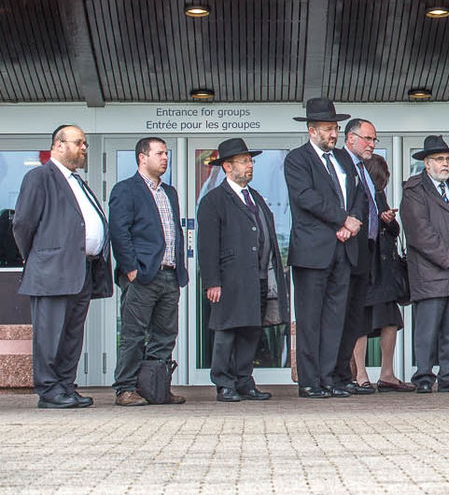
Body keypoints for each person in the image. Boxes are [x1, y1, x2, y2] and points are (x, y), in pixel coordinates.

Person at [13, 125, 114, 409]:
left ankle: (65, 386)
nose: (84, 148)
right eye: (79, 142)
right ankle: (49, 390)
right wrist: (38, 256)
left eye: (85, 144)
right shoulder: (40, 177)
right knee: (50, 333)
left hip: (82, 270)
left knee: (71, 333)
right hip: (52, 270)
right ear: (58, 145)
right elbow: (22, 224)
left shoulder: (77, 181)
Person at [284, 98, 368, 398]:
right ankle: (309, 381)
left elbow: (360, 192)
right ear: (311, 130)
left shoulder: (344, 160)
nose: (333, 134)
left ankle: (328, 376)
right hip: (312, 251)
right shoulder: (297, 160)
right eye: (327, 129)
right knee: (310, 319)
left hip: (344, 249)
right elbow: (306, 198)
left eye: (335, 128)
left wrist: (354, 220)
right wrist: (342, 220)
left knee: (336, 317)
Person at [197, 138, 288, 402]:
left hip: (257, 276)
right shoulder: (214, 200)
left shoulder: (255, 197)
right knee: (227, 331)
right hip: (229, 278)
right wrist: (212, 281)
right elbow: (207, 245)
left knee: (251, 330)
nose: (250, 166)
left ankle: (244, 381)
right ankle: (224, 383)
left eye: (251, 161)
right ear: (227, 166)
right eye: (244, 161)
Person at [108, 136, 188, 405]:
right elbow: (119, 233)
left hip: (169, 274)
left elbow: (174, 232)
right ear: (142, 157)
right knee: (133, 335)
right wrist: (131, 270)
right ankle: (125, 388)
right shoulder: (126, 189)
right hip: (142, 275)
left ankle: (156, 388)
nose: (165, 158)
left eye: (166, 154)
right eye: (159, 153)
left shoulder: (170, 193)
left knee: (165, 336)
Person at [400, 136, 449, 393]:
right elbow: (419, 233)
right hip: (430, 273)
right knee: (427, 329)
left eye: (447, 159)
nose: (445, 163)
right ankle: (423, 376)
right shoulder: (415, 190)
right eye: (439, 159)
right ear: (427, 163)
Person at [333, 117, 380, 394]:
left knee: (354, 318)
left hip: (366, 251)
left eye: (374, 140)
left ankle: (344, 374)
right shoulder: (340, 163)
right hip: (344, 249)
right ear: (350, 139)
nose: (372, 144)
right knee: (340, 316)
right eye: (367, 138)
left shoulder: (365, 169)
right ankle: (337, 375)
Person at [358, 153, 410, 391]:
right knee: (360, 323)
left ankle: (385, 374)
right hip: (367, 270)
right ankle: (360, 375)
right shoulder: (358, 192)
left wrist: (387, 220)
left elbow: (395, 230)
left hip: (384, 271)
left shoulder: (379, 196)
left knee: (389, 321)